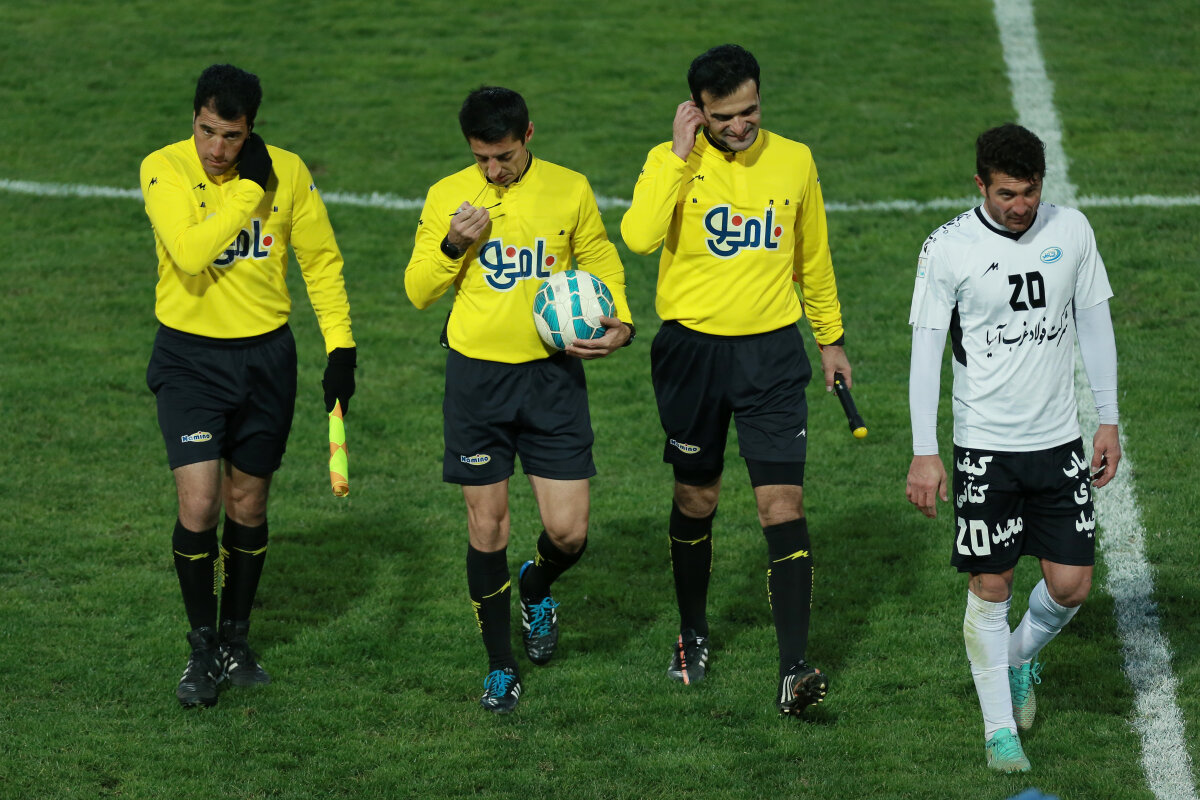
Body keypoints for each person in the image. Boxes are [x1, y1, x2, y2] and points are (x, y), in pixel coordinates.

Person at [621, 44, 849, 715]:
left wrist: (830, 339)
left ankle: (794, 669)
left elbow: (813, 255)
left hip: (771, 356)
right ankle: (692, 632)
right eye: (725, 117)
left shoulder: (795, 160)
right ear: (698, 111)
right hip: (691, 355)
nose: (742, 124)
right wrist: (677, 155)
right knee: (697, 498)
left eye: (750, 110)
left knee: (783, 505)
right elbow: (638, 236)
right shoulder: (670, 162)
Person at [404, 86, 634, 714]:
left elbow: (600, 258)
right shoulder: (448, 197)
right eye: (480, 157)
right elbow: (418, 291)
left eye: (503, 156)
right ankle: (501, 666)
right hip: (476, 380)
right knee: (488, 527)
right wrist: (453, 246)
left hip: (551, 379)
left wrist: (621, 320)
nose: (492, 170)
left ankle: (536, 585)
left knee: (569, 531)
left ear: (528, 135)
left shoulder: (569, 188)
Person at [906, 123, 1121, 773]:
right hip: (985, 447)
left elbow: (1095, 322)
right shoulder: (948, 248)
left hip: (1058, 442)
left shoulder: (1071, 230)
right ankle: (999, 732)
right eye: (1006, 194)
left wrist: (1108, 420)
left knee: (1071, 586)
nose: (1020, 206)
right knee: (990, 584)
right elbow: (926, 353)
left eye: (1029, 192)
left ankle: (1018, 658)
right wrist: (924, 450)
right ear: (980, 184)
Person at [141, 64, 357, 708]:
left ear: (250, 129)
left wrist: (341, 348)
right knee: (200, 504)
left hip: (267, 360)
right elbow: (190, 252)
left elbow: (321, 262)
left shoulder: (288, 171)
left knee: (249, 505)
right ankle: (201, 647)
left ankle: (236, 638)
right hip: (190, 360)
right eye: (206, 130)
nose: (216, 148)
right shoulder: (164, 168)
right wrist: (246, 191)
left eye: (231, 136)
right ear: (194, 120)